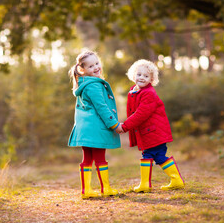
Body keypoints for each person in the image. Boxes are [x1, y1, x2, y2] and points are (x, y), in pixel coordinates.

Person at [119, 59, 184, 192]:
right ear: (133, 75)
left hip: (154, 132)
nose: (141, 77)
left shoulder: (149, 94)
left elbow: (141, 114)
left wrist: (125, 126)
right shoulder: (135, 91)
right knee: (153, 155)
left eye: (146, 76)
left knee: (152, 155)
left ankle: (151, 184)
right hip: (148, 132)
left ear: (151, 79)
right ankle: (173, 180)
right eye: (139, 74)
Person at [68, 50, 123, 199]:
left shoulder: (84, 84)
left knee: (87, 159)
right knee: (100, 158)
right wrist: (114, 124)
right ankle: (105, 188)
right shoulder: (94, 85)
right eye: (91, 66)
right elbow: (102, 108)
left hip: (85, 130)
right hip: (95, 129)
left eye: (97, 63)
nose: (96, 67)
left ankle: (86, 191)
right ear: (82, 70)